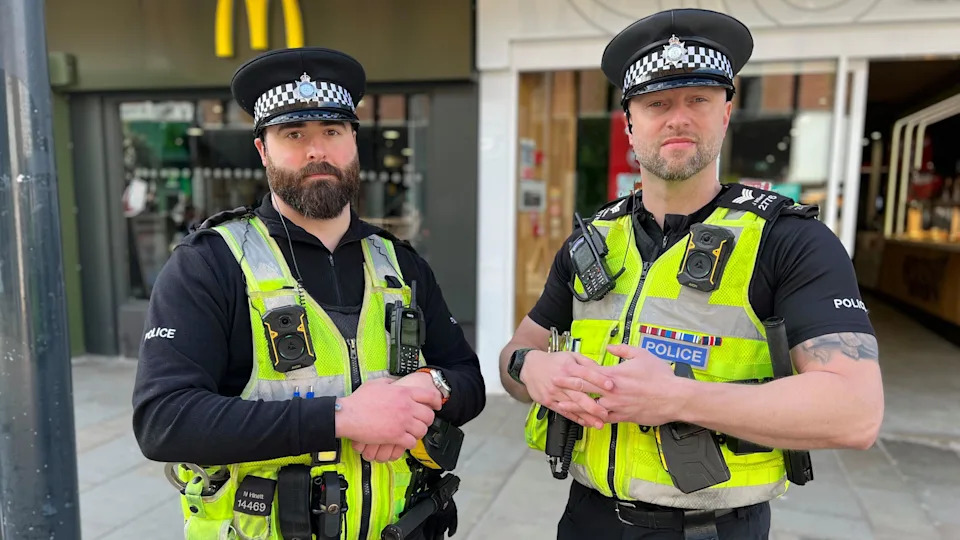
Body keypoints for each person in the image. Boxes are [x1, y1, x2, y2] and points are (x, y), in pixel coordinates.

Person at [499, 9, 883, 540]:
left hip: (712, 529)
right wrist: (532, 369)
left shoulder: (789, 241)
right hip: (587, 519)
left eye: (697, 99)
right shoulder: (592, 244)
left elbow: (856, 413)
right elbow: (511, 360)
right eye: (657, 104)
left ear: (726, 112)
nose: (677, 118)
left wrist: (680, 398)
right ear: (630, 124)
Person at [132, 47, 485, 540]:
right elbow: (163, 421)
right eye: (293, 134)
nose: (316, 151)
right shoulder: (209, 263)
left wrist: (429, 389)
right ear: (262, 149)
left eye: (332, 132)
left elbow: (468, 380)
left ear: (354, 142)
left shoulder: (400, 263)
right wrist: (341, 417)